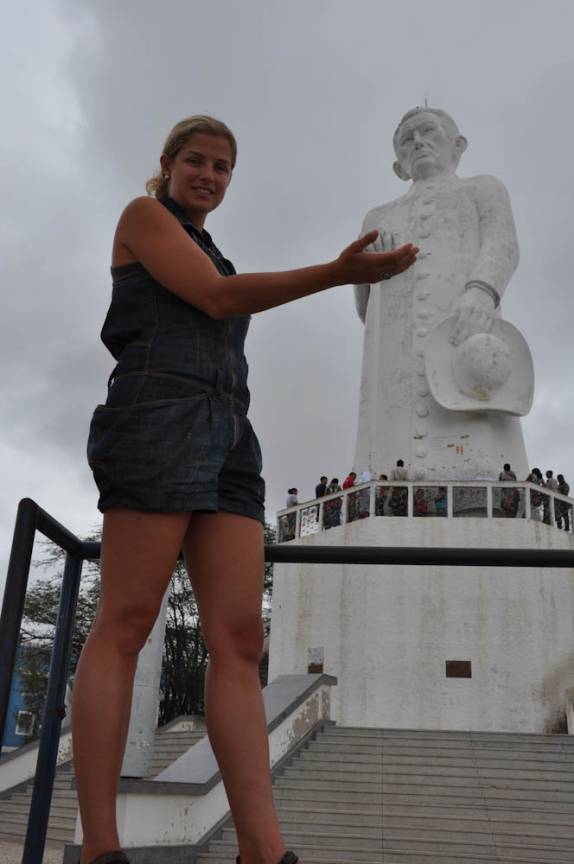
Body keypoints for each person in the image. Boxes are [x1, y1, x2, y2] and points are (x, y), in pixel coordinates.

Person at [77, 114, 419, 864]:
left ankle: (262, 850)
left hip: (231, 432)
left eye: (223, 167)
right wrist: (338, 273)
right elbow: (216, 298)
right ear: (168, 164)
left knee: (238, 639)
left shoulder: (214, 248)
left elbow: (221, 289)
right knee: (126, 623)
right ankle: (101, 849)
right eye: (196, 161)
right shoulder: (144, 218)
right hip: (158, 414)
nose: (209, 175)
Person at [353, 106, 529, 483]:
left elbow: (503, 243)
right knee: (391, 446)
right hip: (395, 354)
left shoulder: (482, 188)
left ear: (457, 144)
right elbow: (365, 311)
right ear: (398, 166)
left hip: (462, 331)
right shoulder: (377, 218)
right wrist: (368, 266)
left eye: (428, 131)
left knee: (475, 430)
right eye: (406, 140)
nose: (418, 142)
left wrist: (482, 290)